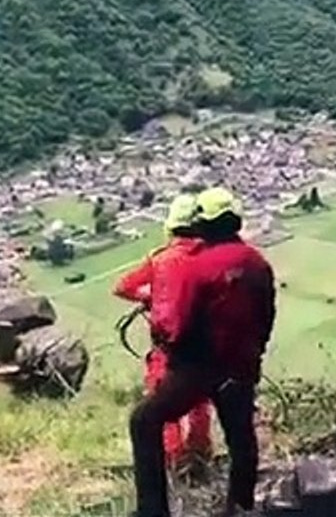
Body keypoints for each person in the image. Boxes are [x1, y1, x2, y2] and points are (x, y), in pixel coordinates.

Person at [129, 187, 277, 517]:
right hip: (241, 366)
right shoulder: (259, 264)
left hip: (197, 368)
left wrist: (168, 345)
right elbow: (267, 315)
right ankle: (239, 508)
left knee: (144, 420)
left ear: (203, 225)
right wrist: (254, 356)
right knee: (241, 440)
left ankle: (152, 511)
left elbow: (175, 321)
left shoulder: (197, 267)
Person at [112, 194, 214, 469]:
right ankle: (200, 454)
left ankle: (174, 461)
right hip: (207, 345)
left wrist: (152, 296)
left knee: (164, 403)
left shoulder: (161, 260)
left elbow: (123, 287)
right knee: (200, 400)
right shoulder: (214, 256)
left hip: (169, 348)